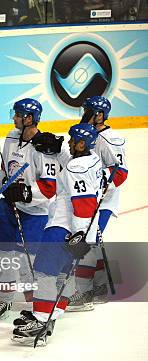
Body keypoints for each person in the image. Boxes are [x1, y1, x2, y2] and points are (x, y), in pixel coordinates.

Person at [12, 124, 103, 346]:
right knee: (61, 274)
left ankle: (41, 319)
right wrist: (58, 148)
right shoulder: (93, 161)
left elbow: (83, 204)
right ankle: (51, 313)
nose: (69, 143)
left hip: (65, 228)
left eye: (72, 140)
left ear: (82, 144)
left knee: (44, 271)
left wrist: (78, 235)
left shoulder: (76, 169)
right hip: (80, 229)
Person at [0, 98, 59, 322]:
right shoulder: (10, 137)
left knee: (29, 261)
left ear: (29, 118)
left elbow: (50, 186)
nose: (14, 118)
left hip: (35, 214)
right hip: (8, 208)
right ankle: (5, 297)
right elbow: (5, 170)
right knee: (6, 256)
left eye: (17, 114)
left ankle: (34, 303)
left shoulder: (44, 148)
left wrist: (27, 193)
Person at [68, 96, 128, 311]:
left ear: (100, 114)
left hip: (103, 200)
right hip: (89, 198)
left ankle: (85, 293)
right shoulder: (86, 132)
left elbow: (120, 172)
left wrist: (98, 184)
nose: (83, 114)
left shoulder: (111, 139)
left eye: (87, 110)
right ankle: (100, 286)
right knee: (93, 243)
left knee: (88, 244)